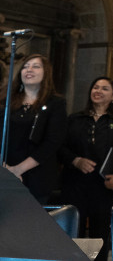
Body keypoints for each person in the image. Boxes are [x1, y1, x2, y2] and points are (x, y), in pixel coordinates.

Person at [61, 76, 113, 261]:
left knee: (99, 236)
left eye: (104, 88)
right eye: (95, 87)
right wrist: (75, 160)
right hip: (75, 184)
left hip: (103, 187)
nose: (98, 91)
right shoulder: (75, 118)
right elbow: (59, 147)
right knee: (72, 234)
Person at [0, 53, 66, 203]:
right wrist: (5, 168)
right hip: (4, 171)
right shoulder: (6, 101)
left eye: (35, 66)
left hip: (37, 175)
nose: (29, 70)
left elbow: (53, 141)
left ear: (46, 73)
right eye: (25, 67)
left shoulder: (55, 103)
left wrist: (18, 170)